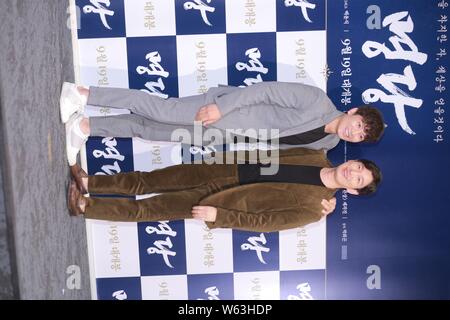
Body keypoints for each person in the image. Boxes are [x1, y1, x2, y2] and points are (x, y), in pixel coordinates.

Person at [60, 81, 385, 166]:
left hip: (225, 136)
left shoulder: (326, 144)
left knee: (150, 129)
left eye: (359, 136)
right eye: (358, 124)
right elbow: (264, 90)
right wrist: (220, 108)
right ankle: (80, 93)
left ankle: (85, 127)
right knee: (159, 109)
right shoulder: (316, 100)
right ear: (353, 110)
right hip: (223, 112)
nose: (353, 132)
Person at [67, 148, 381, 232]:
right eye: (357, 168)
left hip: (219, 200)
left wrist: (221, 215)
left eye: (358, 180)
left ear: (352, 192)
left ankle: (85, 207)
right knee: (148, 179)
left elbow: (265, 223)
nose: (353, 173)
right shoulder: (315, 155)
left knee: (147, 209)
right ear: (352, 160)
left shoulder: (316, 209)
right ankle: (90, 183)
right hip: (221, 169)